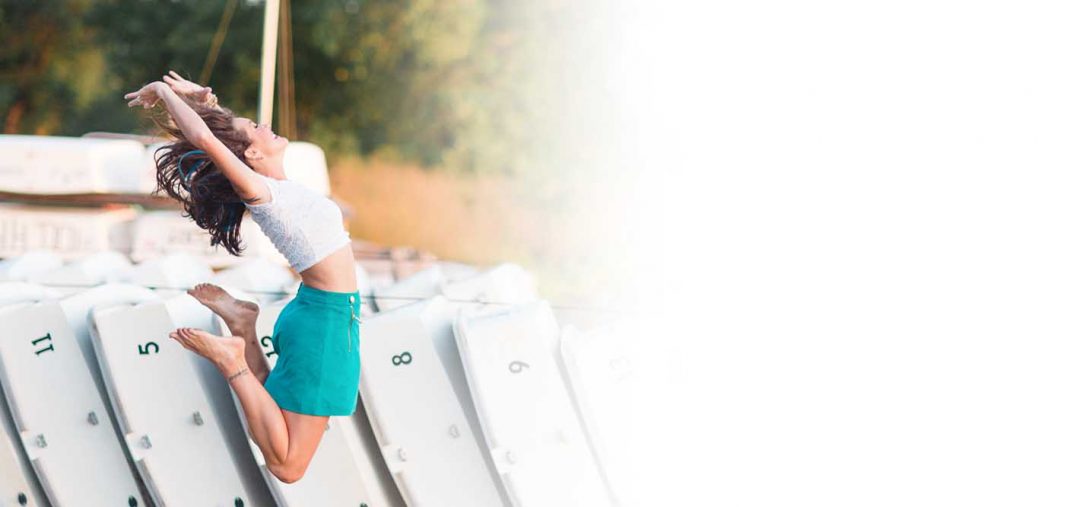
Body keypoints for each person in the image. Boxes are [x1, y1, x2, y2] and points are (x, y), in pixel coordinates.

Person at [124, 71, 361, 484]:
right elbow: (207, 140)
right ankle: (232, 359)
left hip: (319, 314)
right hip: (324, 322)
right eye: (256, 127)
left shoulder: (276, 188)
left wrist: (206, 104)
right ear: (250, 155)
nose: (264, 125)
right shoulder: (262, 191)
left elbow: (224, 136)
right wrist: (163, 93)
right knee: (287, 465)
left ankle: (243, 327)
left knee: (274, 422)